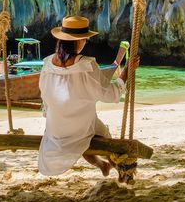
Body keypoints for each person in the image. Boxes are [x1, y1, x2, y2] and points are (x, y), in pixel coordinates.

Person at [38, 15, 137, 177]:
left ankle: (101, 165)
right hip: (80, 128)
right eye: (85, 39)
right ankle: (119, 170)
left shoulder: (48, 63)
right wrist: (128, 71)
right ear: (80, 41)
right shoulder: (86, 65)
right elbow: (109, 95)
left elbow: (45, 95)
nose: (85, 43)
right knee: (100, 135)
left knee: (86, 134)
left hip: (55, 130)